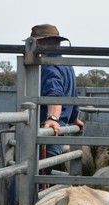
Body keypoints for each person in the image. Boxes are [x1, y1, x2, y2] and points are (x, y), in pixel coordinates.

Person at [28, 24, 84, 176]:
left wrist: (53, 118)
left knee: (24, 180)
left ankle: (18, 201)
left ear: (41, 43)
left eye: (34, 43)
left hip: (46, 134)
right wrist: (74, 118)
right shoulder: (67, 65)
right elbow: (72, 96)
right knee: (40, 179)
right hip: (58, 134)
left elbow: (55, 94)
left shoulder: (48, 66)